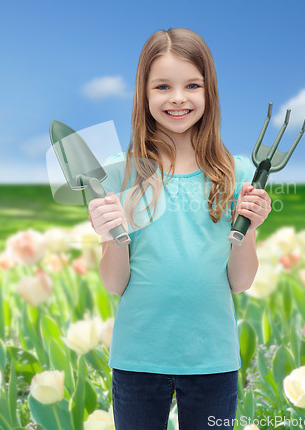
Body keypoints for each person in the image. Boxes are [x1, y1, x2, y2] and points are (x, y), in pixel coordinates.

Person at [88, 27, 271, 430]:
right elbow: (115, 283)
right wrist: (110, 235)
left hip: (212, 359)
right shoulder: (121, 172)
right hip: (138, 357)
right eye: (162, 86)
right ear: (144, 94)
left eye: (192, 85)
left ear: (210, 92)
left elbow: (240, 282)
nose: (177, 98)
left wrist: (251, 225)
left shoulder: (237, 173)